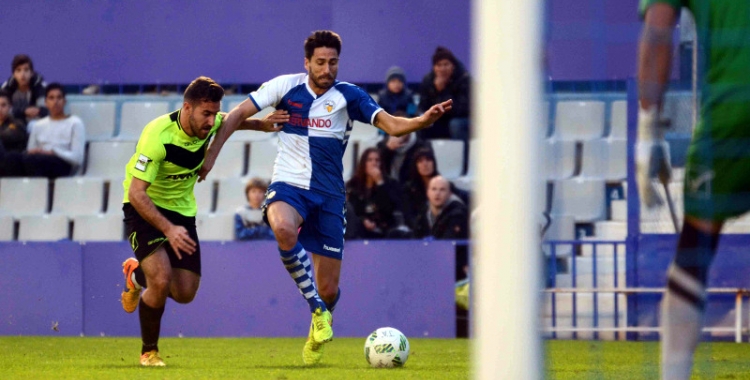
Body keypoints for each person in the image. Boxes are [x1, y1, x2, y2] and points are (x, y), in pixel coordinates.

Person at [198, 30, 452, 365]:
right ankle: (317, 310)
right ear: (307, 62)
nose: (327, 68)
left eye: (333, 62)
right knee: (283, 228)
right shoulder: (285, 86)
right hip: (289, 184)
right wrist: (213, 155)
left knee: (329, 289)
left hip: (330, 196)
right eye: (320, 62)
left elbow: (391, 126)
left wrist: (422, 120)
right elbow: (235, 115)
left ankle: (319, 317)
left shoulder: (349, 96)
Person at [118, 76, 288, 367]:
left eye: (213, 113)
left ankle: (135, 274)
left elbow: (228, 121)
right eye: (205, 114)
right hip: (145, 207)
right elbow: (136, 193)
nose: (211, 121)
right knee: (160, 279)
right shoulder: (157, 136)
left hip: (182, 211)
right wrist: (168, 229)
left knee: (184, 292)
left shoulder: (209, 121)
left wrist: (260, 124)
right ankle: (149, 352)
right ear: (187, 108)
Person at [637, 2, 750, 379]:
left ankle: (675, 373)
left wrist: (648, 128)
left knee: (694, 253)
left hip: (734, 107)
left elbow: (658, 27)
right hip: (732, 104)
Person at [20, 83, 85, 178]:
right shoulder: (38, 125)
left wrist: (54, 152)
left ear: (64, 101)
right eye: (51, 98)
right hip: (38, 160)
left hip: (62, 163)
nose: (55, 102)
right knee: (12, 159)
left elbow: (78, 158)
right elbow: (31, 151)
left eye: (59, 98)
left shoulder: (75, 123)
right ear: (46, 102)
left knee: (35, 161)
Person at [402, 146, 469, 230]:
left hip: (445, 228)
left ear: (434, 163)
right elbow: (409, 216)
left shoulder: (444, 183)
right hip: (420, 231)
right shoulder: (408, 189)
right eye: (420, 161)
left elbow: (463, 197)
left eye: (428, 160)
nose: (425, 164)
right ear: (415, 166)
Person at [345, 147, 404, 239]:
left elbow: (390, 209)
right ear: (363, 164)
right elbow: (351, 210)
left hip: (385, 230)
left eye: (377, 160)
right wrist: (363, 220)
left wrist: (380, 183)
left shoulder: (391, 184)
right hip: (359, 230)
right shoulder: (353, 185)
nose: (374, 163)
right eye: (370, 160)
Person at [417, 46, 470, 141]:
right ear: (434, 68)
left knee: (455, 124)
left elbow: (462, 110)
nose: (442, 69)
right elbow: (423, 106)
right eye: (439, 65)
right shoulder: (428, 80)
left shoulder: (464, 79)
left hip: (459, 119)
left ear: (453, 66)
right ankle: (423, 153)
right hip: (438, 119)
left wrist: (441, 91)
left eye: (446, 64)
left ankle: (463, 155)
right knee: (420, 122)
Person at [413, 175, 469, 239]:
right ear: (428, 192)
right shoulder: (424, 212)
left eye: (442, 190)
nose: (437, 193)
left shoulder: (458, 214)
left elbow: (449, 243)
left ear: (449, 194)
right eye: (434, 189)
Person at [1, 54, 47, 124]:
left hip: (35, 121)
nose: (22, 74)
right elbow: (3, 110)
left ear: (31, 73)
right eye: (18, 70)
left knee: (33, 125)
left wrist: (39, 111)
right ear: (14, 74)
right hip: (12, 122)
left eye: (26, 70)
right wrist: (24, 111)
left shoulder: (40, 86)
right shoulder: (7, 87)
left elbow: (46, 110)